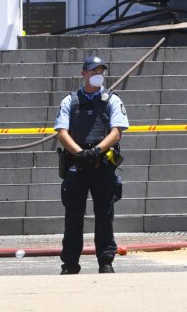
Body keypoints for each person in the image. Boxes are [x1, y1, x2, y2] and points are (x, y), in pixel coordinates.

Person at [54, 55, 129, 274]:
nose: (98, 75)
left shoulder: (112, 100)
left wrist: (97, 150)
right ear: (84, 74)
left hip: (102, 163)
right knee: (73, 217)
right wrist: (80, 153)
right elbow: (61, 132)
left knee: (105, 215)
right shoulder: (70, 101)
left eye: (101, 72)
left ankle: (105, 261)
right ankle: (70, 264)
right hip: (77, 164)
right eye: (94, 71)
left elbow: (116, 132)